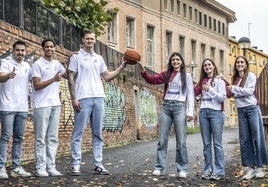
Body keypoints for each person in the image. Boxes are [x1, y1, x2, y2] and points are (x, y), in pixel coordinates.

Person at [68, 30, 127, 176]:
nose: (89, 41)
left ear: (95, 41)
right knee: (78, 133)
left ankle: (98, 164)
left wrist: (121, 67)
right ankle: (76, 164)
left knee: (98, 133)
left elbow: (106, 76)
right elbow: (70, 77)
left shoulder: (99, 58)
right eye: (87, 38)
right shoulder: (76, 57)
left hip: (99, 98)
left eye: (92, 39)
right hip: (82, 98)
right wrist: (73, 98)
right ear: (83, 40)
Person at [137, 52, 194, 178]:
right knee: (162, 139)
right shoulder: (166, 74)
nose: (175, 62)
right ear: (171, 62)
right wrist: (143, 71)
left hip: (179, 107)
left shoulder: (187, 76)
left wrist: (190, 112)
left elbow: (190, 94)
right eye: (173, 60)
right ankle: (159, 167)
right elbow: (152, 80)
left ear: (181, 62)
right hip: (166, 107)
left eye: (178, 60)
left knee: (181, 140)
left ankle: (182, 168)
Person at [225, 56, 267, 180]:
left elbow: (249, 91)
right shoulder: (235, 79)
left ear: (246, 64)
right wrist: (228, 85)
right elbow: (231, 93)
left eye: (242, 62)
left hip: (252, 109)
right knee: (244, 139)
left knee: (257, 137)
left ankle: (260, 167)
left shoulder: (251, 76)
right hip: (241, 110)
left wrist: (234, 88)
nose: (239, 64)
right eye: (237, 62)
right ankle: (250, 168)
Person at [31, 38, 68, 177]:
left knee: (53, 138)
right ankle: (40, 168)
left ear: (55, 48)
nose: (49, 49)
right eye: (47, 47)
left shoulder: (57, 63)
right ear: (43, 48)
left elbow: (68, 75)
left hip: (55, 104)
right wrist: (53, 79)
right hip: (41, 105)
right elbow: (37, 85)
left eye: (52, 47)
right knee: (40, 138)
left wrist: (72, 60)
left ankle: (51, 167)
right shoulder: (37, 64)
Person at [0, 40, 32, 179]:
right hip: (7, 107)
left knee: (18, 138)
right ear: (13, 50)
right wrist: (8, 75)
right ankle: (1, 167)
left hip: (22, 108)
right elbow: (1, 77)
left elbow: (36, 79)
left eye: (22, 50)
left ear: (25, 52)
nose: (20, 53)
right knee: (6, 137)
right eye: (18, 50)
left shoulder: (27, 66)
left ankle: (16, 167)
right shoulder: (6, 63)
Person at [194, 59, 226, 180]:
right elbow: (194, 92)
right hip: (203, 113)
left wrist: (210, 90)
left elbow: (222, 98)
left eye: (209, 65)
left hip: (216, 113)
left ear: (213, 66)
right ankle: (208, 169)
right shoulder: (202, 82)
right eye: (205, 65)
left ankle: (219, 170)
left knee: (217, 143)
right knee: (206, 144)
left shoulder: (219, 81)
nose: (207, 67)